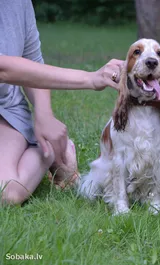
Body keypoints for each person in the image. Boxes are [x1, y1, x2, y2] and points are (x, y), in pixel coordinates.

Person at [0, 0, 124, 205]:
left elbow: (32, 62)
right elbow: (4, 69)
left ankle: (47, 149)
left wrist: (44, 114)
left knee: (6, 193)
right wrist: (91, 78)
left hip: (4, 109)